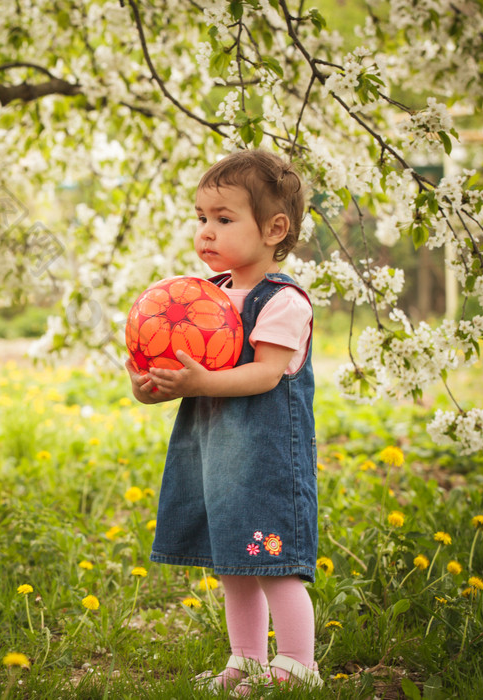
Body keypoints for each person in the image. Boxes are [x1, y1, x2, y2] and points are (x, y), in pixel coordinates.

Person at [126, 149, 323, 693]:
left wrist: (199, 382)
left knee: (273, 562)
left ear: (273, 229)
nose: (206, 232)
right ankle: (248, 658)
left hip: (266, 463)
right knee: (233, 563)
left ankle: (300, 663)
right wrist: (150, 387)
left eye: (224, 219)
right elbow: (184, 377)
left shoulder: (283, 302)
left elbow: (263, 374)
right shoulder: (200, 299)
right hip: (216, 460)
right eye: (201, 218)